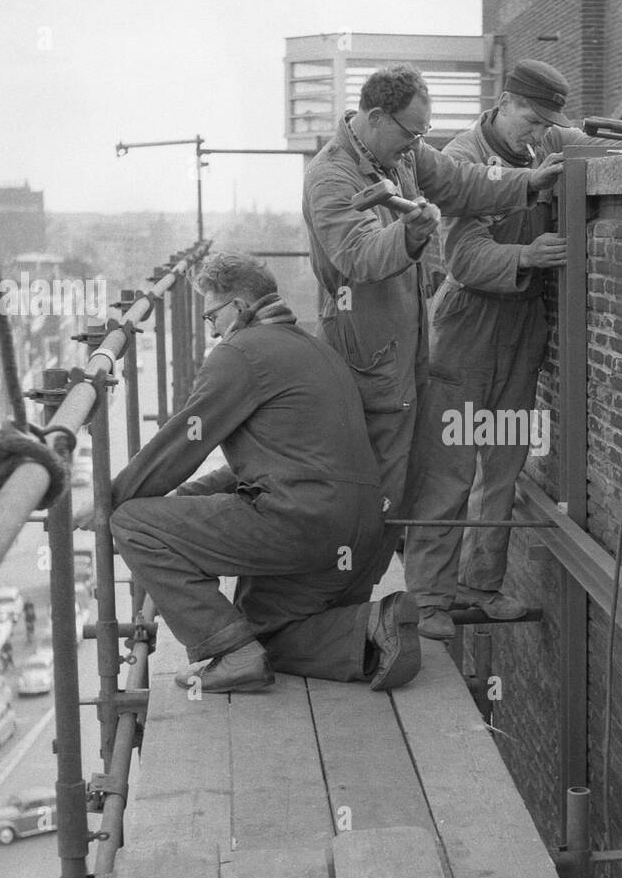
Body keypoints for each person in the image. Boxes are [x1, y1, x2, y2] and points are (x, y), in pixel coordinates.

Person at [74, 252, 419, 694]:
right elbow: (278, 463)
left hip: (302, 523)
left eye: (210, 315)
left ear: (238, 307)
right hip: (360, 531)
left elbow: (182, 443)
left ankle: (229, 654)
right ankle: (376, 623)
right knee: (261, 633)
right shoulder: (315, 347)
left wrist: (107, 501)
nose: (210, 328)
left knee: (133, 525)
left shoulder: (240, 353)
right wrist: (184, 500)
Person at [303, 63, 565, 590]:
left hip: (408, 341)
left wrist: (527, 183)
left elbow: (458, 182)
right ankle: (355, 604)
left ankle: (397, 603)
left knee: (410, 478)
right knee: (378, 481)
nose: (418, 145)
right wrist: (412, 233)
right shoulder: (331, 176)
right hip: (367, 354)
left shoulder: (398, 152)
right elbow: (359, 256)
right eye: (411, 133)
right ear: (376, 117)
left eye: (423, 134)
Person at [405, 61, 591, 639]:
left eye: (546, 126)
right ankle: (431, 598)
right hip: (468, 328)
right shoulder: (460, 163)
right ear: (504, 103)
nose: (537, 135)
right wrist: (529, 257)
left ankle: (480, 587)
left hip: (521, 328)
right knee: (451, 468)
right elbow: (462, 258)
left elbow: (597, 146)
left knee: (502, 465)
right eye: (531, 121)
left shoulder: (542, 143)